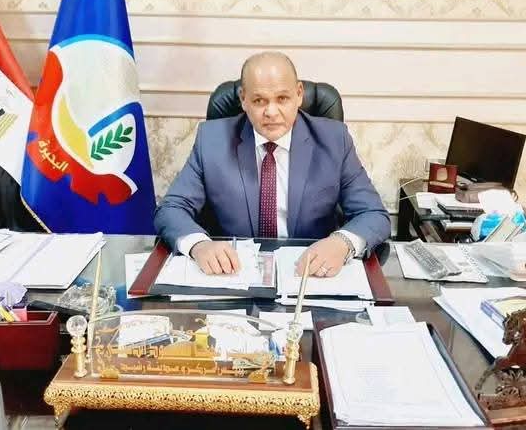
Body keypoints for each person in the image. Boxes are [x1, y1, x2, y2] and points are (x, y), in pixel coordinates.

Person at [154, 52, 391, 277]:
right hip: (234, 274)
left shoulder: (334, 140)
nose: (271, 112)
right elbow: (171, 209)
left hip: (310, 274)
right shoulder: (211, 140)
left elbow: (373, 214)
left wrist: (342, 243)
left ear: (299, 94)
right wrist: (199, 245)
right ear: (243, 99)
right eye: (259, 100)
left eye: (282, 98)